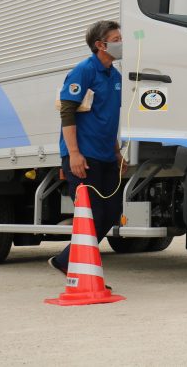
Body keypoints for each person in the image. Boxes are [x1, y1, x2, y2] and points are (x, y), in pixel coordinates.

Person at [49, 21, 125, 274]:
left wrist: (116, 152)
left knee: (112, 214)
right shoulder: (84, 71)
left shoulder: (115, 76)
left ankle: (65, 261)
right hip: (84, 157)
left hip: (106, 156)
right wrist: (73, 154)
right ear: (100, 45)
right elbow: (67, 112)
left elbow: (108, 118)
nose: (121, 43)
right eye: (116, 39)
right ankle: (78, 268)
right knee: (92, 215)